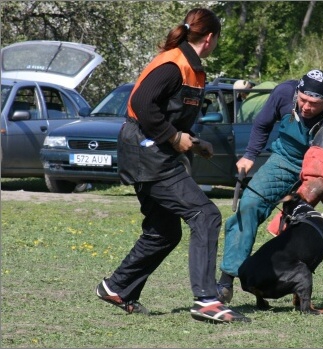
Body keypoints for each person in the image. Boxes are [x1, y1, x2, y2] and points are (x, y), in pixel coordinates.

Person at [95, 8, 250, 323]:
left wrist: (192, 139)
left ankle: (118, 286)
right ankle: (207, 301)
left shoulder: (192, 68)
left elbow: (171, 111)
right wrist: (172, 136)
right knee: (204, 215)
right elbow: (142, 104)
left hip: (153, 152)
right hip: (147, 154)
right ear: (209, 38)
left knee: (164, 232)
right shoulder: (173, 64)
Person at [217, 69, 323, 311]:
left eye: (313, 103)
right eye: (302, 100)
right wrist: (250, 155)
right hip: (286, 158)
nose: (305, 107)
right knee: (250, 203)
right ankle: (225, 282)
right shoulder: (284, 92)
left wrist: (290, 210)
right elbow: (262, 124)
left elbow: (318, 181)